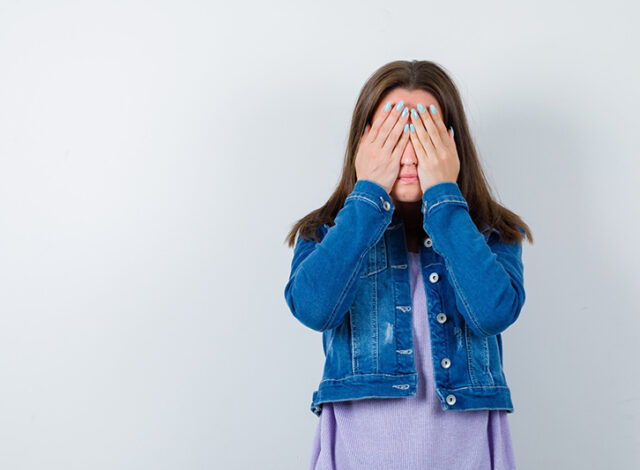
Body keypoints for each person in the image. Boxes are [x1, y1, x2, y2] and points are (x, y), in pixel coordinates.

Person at [283, 60, 533, 470]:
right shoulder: (325, 232)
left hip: (466, 452)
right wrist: (366, 195)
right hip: (358, 453)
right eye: (393, 133)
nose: (409, 152)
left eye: (425, 133)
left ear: (452, 145)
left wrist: (444, 197)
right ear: (365, 142)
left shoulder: (493, 233)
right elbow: (313, 308)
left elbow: (493, 313)